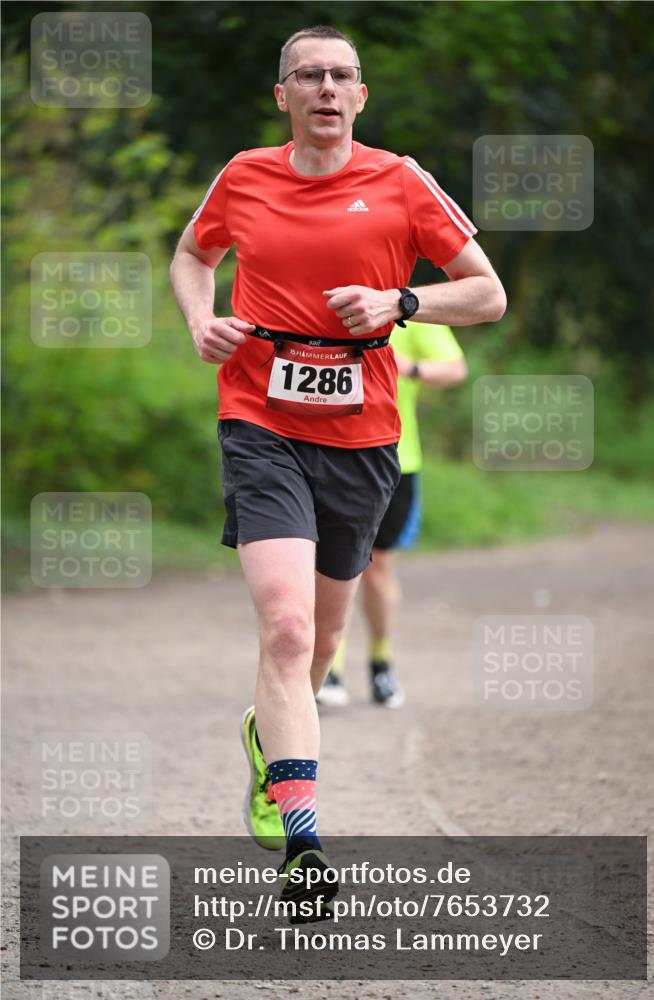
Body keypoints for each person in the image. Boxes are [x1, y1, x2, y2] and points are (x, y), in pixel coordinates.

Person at [170, 24, 505, 920]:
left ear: (361, 96)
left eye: (342, 75)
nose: (326, 86)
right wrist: (202, 319)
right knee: (283, 632)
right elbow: (191, 255)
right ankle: (304, 837)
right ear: (282, 96)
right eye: (308, 75)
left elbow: (487, 291)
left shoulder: (401, 181)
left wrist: (402, 301)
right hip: (259, 419)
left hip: (363, 438)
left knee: (320, 643)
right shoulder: (243, 175)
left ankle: (263, 741)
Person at [317, 321, 467, 710]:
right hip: (329, 454)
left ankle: (381, 663)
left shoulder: (408, 308)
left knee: (378, 566)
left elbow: (455, 367)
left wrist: (409, 367)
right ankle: (329, 668)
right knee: (330, 563)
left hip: (397, 459)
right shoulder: (325, 300)